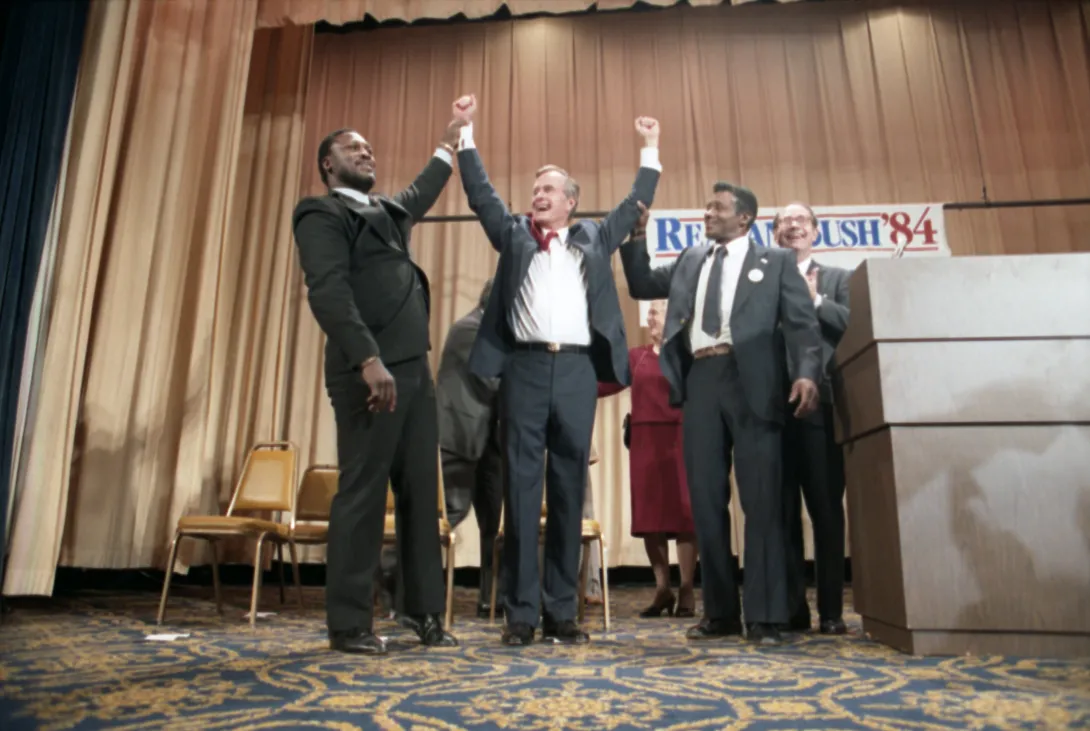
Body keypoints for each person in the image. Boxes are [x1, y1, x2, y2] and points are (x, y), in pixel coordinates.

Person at [452, 94, 660, 646]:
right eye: (535, 189)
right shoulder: (514, 235)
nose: (537, 196)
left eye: (548, 190)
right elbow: (480, 196)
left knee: (569, 491)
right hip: (522, 369)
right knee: (520, 494)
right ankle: (519, 616)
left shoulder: (594, 237)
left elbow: (634, 202)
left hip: (574, 374)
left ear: (570, 201)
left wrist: (649, 146)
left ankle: (562, 613)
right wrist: (466, 133)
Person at [292, 107, 467, 655]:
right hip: (369, 373)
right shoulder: (320, 214)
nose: (365, 152)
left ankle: (424, 613)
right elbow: (328, 291)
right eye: (352, 147)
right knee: (364, 494)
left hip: (414, 371)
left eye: (368, 147)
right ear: (328, 163)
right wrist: (368, 359)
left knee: (421, 496)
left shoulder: (388, 212)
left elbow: (421, 192)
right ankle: (349, 624)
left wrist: (447, 144)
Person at [619, 189, 822, 645]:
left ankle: (766, 615)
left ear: (745, 217)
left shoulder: (775, 262)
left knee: (762, 500)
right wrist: (635, 235)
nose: (708, 213)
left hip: (755, 382)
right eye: (707, 206)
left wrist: (807, 372)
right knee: (707, 503)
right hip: (701, 381)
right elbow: (641, 282)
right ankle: (721, 613)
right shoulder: (692, 258)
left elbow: (802, 326)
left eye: (719, 208)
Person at [773, 202, 851, 635]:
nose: (793, 226)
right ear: (776, 234)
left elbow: (853, 324)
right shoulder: (766, 280)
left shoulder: (838, 278)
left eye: (801, 220)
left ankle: (833, 612)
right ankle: (793, 610)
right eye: (785, 222)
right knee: (782, 514)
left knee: (825, 511)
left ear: (815, 232)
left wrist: (815, 299)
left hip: (821, 408)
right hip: (777, 411)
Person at [598, 299, 698, 618]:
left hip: (681, 439)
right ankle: (662, 589)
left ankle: (685, 589)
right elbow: (605, 383)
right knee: (650, 517)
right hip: (645, 441)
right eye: (650, 313)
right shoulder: (636, 357)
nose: (650, 319)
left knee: (685, 516)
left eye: (655, 313)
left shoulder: (689, 355)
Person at [436, 278, 503, 619]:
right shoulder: (468, 329)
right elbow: (491, 379)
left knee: (495, 523)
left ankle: (492, 598)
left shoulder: (487, 331)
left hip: (490, 443)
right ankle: (397, 584)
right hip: (459, 438)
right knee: (449, 515)